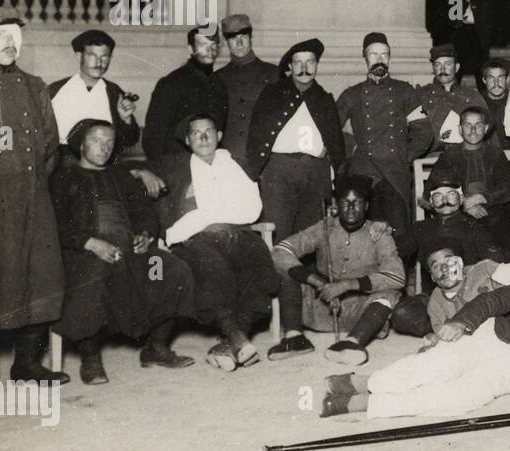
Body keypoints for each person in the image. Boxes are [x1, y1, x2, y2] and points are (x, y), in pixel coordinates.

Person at [322, 252, 510, 418]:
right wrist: (462, 323)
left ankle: (364, 404)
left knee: (459, 397)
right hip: (492, 337)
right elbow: (494, 301)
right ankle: (360, 383)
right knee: (437, 365)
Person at [50, 119, 197, 383]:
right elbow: (56, 224)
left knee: (172, 270)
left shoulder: (121, 177)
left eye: (109, 142)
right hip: (84, 252)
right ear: (81, 144)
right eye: (96, 140)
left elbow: (145, 214)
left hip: (131, 253)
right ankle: (90, 358)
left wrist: (145, 235)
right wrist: (91, 243)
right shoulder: (63, 178)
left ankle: (156, 347)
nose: (104, 147)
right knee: (91, 277)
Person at [0, 6, 68, 387]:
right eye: (1, 37)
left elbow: (50, 147)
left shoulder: (34, 85)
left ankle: (27, 364)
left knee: (40, 276)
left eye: (14, 36)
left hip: (32, 199)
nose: (10, 44)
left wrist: (29, 188)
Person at [245, 38, 345, 359]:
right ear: (289, 66)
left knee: (313, 246)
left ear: (316, 66)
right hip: (278, 173)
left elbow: (335, 146)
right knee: (285, 247)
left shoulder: (324, 98)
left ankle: (314, 320)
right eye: (298, 62)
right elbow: (256, 138)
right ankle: (292, 330)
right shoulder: (273, 94)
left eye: (311, 62)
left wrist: (331, 179)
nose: (304, 68)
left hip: (315, 173)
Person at [157, 111, 279, 370]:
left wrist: (216, 219)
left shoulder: (235, 164)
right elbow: (167, 214)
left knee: (257, 261)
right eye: (195, 133)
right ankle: (236, 336)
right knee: (213, 266)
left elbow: (251, 208)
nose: (202, 137)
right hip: (192, 237)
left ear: (219, 136)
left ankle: (231, 342)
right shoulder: (177, 169)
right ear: (188, 141)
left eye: (208, 131)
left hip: (236, 232)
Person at [271, 175, 406, 365]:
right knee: (286, 270)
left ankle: (353, 342)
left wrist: (348, 285)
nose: (351, 208)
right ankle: (295, 338)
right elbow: (280, 251)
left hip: (359, 310)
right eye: (345, 202)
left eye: (357, 202)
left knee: (389, 293)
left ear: (366, 206)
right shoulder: (324, 227)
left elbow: (397, 276)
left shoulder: (378, 233)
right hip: (320, 307)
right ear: (336, 205)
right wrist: (319, 283)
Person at [337, 31, 433, 264]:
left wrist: (402, 155)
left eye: (384, 54)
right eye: (373, 54)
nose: (379, 59)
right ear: (365, 58)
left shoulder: (405, 91)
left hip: (395, 174)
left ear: (389, 58)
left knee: (400, 239)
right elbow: (332, 131)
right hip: (362, 175)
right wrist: (351, 154)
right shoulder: (352, 94)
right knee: (361, 236)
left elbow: (424, 131)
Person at [428, 105, 510, 265]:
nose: (473, 130)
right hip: (460, 214)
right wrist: (464, 203)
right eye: (467, 125)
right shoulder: (449, 157)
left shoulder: (495, 154)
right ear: (460, 129)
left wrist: (482, 197)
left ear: (486, 128)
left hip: (495, 212)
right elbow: (432, 192)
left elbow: (506, 189)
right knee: (472, 236)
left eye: (478, 125)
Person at [389, 246, 510, 338]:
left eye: (448, 260)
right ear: (432, 277)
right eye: (436, 266)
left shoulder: (484, 269)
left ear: (460, 263)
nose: (444, 268)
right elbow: (444, 335)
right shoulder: (436, 301)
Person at [48, 29, 140, 157]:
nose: (99, 62)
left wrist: (126, 119)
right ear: (79, 56)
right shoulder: (55, 91)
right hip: (62, 163)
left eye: (104, 56)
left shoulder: (114, 92)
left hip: (103, 163)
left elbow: (130, 140)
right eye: (92, 55)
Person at [143, 25, 229, 161]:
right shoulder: (172, 83)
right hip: (179, 165)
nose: (210, 50)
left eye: (214, 44)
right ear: (190, 49)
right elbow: (153, 136)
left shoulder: (219, 84)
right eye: (203, 44)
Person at [415, 168, 504, 272]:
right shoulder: (422, 228)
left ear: (461, 199)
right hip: (435, 287)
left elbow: (496, 265)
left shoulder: (473, 228)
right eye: (438, 196)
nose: (445, 200)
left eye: (451, 194)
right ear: (431, 201)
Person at [216, 13, 275, 165]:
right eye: (233, 38)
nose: (239, 42)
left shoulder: (273, 74)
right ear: (226, 42)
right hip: (229, 161)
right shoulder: (218, 78)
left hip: (265, 160)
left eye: (244, 36)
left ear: (251, 37)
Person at [418, 43, 484, 149]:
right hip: (430, 157)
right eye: (437, 64)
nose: (442, 69)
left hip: (464, 157)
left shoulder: (472, 97)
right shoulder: (422, 96)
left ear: (456, 67)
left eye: (448, 64)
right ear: (433, 68)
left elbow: (486, 132)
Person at [478, 57, 510, 148]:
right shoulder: (477, 102)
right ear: (484, 80)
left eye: (500, 77)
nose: (496, 83)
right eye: (491, 78)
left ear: (507, 79)